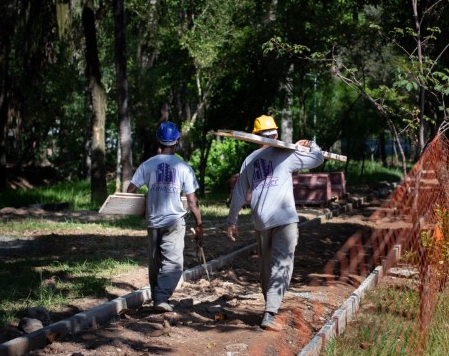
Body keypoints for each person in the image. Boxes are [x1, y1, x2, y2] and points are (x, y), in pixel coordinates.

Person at [225, 115, 324, 331]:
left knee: (267, 266)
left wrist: (231, 222)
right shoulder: (287, 154)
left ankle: (270, 305)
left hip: (261, 220)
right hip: (285, 219)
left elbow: (239, 194)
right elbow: (317, 159)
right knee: (282, 265)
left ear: (255, 136)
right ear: (276, 134)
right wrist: (311, 144)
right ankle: (270, 312)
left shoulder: (249, 161)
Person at [126, 121, 203, 312]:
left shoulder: (148, 165)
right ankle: (160, 298)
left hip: (153, 220)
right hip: (174, 220)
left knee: (155, 260)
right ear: (177, 141)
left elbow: (130, 190)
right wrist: (199, 223)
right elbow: (192, 201)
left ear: (158, 141)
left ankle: (157, 297)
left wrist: (141, 206)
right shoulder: (183, 167)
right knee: (174, 261)